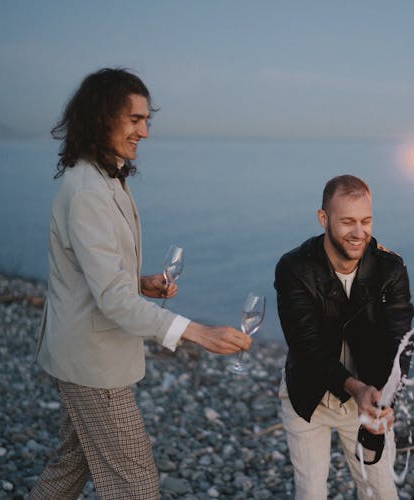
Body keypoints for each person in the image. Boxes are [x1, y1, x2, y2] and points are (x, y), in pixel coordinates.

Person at [31, 68, 252, 499]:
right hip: (93, 365)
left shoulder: (101, 177)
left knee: (68, 470)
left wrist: (139, 282)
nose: (145, 132)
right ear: (102, 117)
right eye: (135, 119)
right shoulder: (88, 191)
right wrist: (197, 332)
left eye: (146, 120)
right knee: (136, 486)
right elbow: (111, 298)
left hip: (78, 354)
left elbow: (93, 273)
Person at [274, 175, 414, 499]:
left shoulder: (390, 268)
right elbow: (306, 344)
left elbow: (400, 340)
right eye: (347, 221)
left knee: (379, 491)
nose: (359, 232)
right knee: (309, 491)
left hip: (368, 397)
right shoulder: (294, 267)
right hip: (308, 396)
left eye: (366, 221)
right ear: (323, 219)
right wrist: (355, 387)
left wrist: (386, 396)